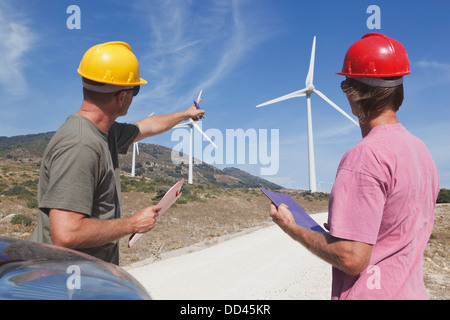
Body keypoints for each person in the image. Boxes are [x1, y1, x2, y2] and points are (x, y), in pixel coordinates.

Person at [269, 33, 440, 299]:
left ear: (354, 93)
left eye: (344, 86)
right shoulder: (421, 151)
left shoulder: (365, 156)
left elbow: (352, 258)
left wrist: (293, 228)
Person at [33, 41, 204, 265]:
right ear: (122, 96)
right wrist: (132, 224)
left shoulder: (106, 132)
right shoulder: (80, 145)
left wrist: (185, 114)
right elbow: (67, 233)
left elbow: (147, 126)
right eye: (135, 90)